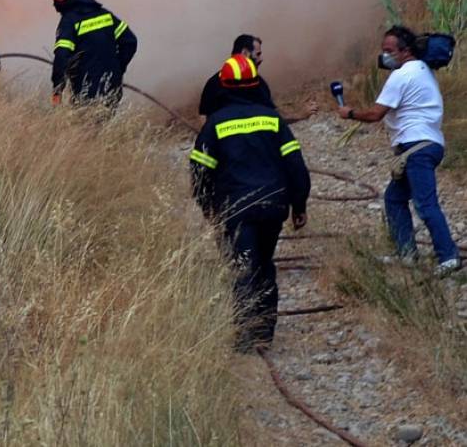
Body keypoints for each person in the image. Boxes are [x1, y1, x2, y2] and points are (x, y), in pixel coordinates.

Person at [190, 54, 311, 353]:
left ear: (224, 87)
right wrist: (300, 206)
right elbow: (296, 166)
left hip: (235, 209)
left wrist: (208, 208)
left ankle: (245, 338)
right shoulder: (273, 120)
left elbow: (200, 171)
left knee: (243, 267)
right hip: (273, 208)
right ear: (257, 85)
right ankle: (264, 333)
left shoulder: (215, 125)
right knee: (264, 265)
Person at [337, 26, 461, 276]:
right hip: (425, 145)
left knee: (426, 205)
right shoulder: (423, 70)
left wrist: (349, 113)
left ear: (405, 51)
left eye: (389, 51)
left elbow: (375, 114)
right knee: (394, 198)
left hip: (417, 147)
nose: (384, 56)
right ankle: (406, 253)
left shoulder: (402, 75)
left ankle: (448, 256)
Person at [49, 0, 137, 105]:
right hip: (112, 87)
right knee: (108, 123)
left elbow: (62, 56)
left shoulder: (69, 21)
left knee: (85, 124)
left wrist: (57, 89)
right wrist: (117, 69)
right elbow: (130, 42)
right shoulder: (105, 14)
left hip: (86, 90)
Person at [198, 34, 318, 121]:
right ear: (245, 53)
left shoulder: (214, 82)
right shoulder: (257, 83)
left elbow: (272, 115)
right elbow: (204, 117)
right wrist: (299, 114)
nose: (261, 59)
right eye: (258, 54)